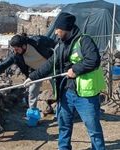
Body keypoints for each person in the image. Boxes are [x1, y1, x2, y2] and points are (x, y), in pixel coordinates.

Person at [24, 12, 106, 149]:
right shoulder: (60, 45)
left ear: (66, 28)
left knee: (93, 128)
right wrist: (32, 77)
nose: (55, 32)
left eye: (57, 29)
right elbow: (50, 64)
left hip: (85, 94)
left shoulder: (84, 41)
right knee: (64, 126)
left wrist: (76, 69)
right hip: (65, 92)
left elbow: (94, 60)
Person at [0, 33, 55, 109]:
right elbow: (3, 65)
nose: (15, 51)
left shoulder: (38, 41)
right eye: (13, 49)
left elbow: (55, 43)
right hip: (36, 72)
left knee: (57, 89)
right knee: (32, 91)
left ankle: (59, 109)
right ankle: (32, 112)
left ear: (23, 46)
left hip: (51, 68)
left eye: (16, 49)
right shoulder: (16, 55)